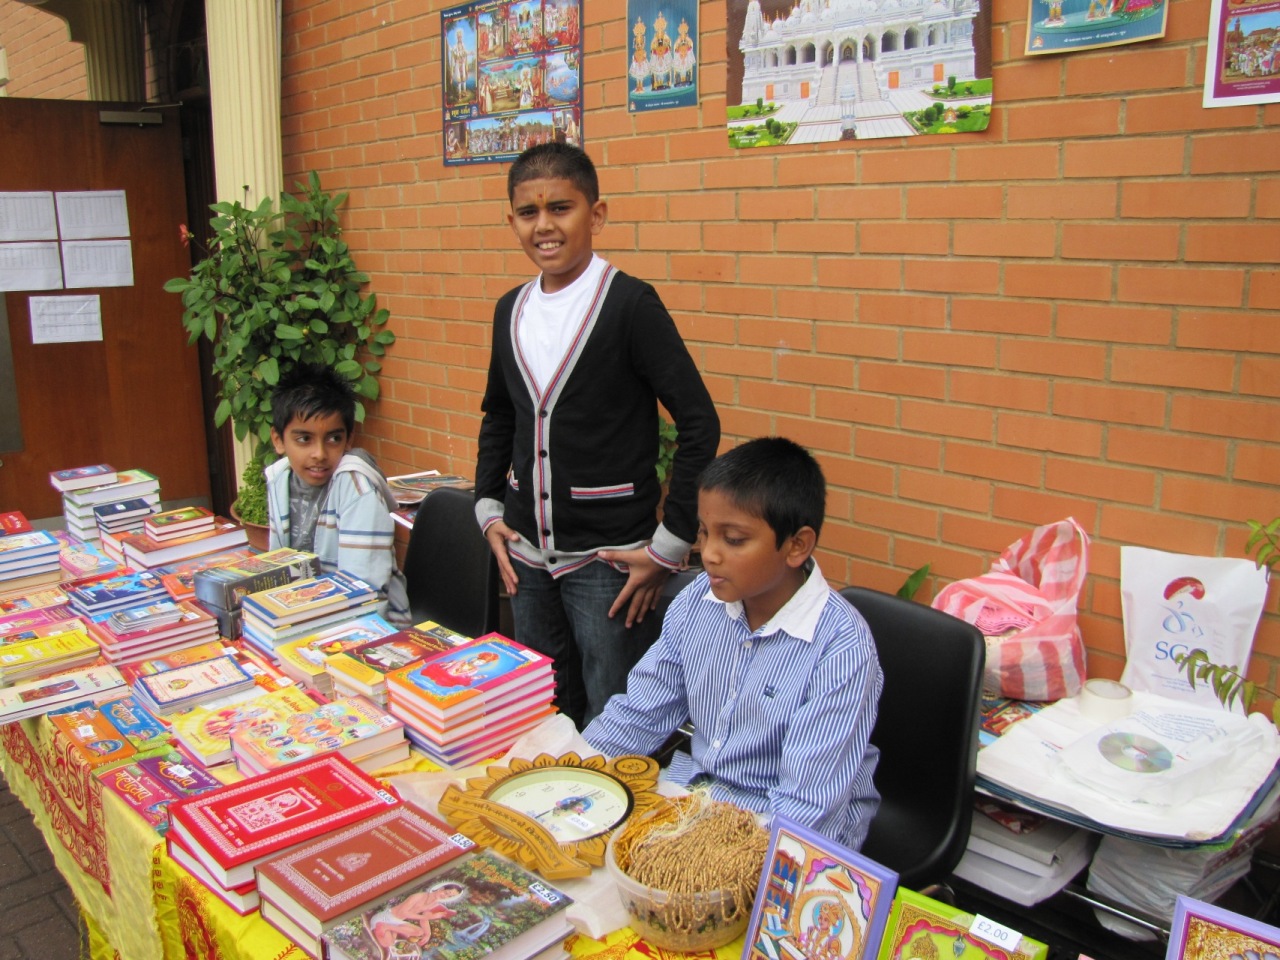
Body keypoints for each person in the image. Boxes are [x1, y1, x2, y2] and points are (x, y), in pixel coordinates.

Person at [475, 141, 720, 729]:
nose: (545, 226)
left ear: (597, 214)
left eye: (561, 208)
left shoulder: (628, 305)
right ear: (511, 220)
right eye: (528, 213)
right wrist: (488, 506)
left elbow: (699, 422)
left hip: (608, 563)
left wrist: (670, 542)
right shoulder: (510, 309)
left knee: (615, 716)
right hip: (527, 560)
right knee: (543, 710)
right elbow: (500, 414)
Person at [582, 438, 883, 849]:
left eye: (734, 539)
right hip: (696, 796)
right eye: (704, 532)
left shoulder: (840, 649)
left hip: (779, 829)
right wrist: (576, 775)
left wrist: (703, 855)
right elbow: (638, 715)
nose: (709, 554)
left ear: (797, 545)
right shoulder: (696, 603)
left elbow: (806, 811)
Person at [265, 364, 410, 626]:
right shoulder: (279, 479)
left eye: (333, 439)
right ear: (278, 440)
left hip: (368, 628)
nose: (319, 453)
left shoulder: (357, 488)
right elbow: (278, 567)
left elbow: (365, 594)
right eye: (304, 439)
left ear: (348, 439)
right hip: (302, 618)